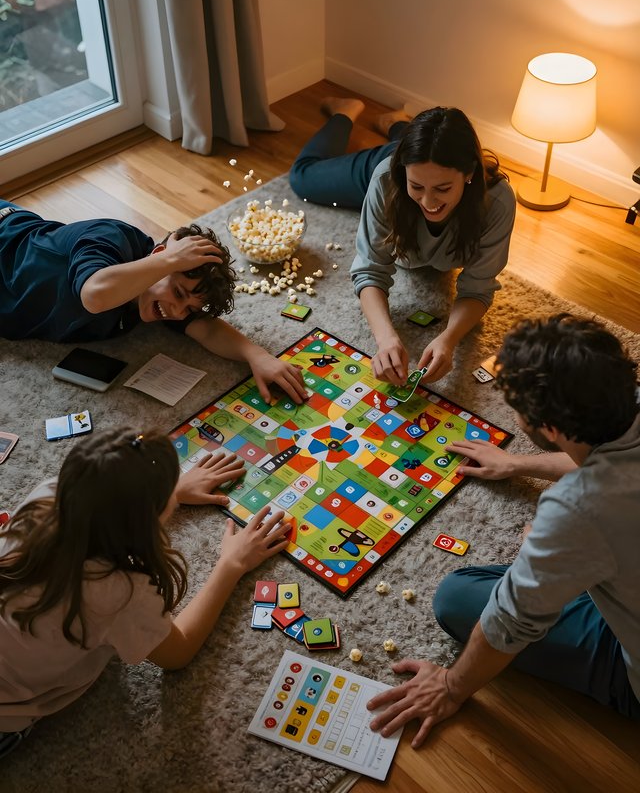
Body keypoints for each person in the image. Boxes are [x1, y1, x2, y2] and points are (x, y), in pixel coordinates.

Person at [366, 314, 640, 747]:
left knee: (458, 597)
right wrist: (517, 464)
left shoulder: (575, 510)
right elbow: (610, 454)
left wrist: (451, 686)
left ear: (549, 429)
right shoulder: (626, 406)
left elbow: (510, 622)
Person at [0, 428, 291, 758]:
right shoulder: (119, 590)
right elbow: (176, 654)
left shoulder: (46, 495)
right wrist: (231, 565)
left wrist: (172, 493)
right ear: (149, 517)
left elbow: (105, 515)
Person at [289, 98, 516, 385]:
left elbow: (479, 288)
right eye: (417, 187)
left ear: (469, 173)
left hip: (409, 166)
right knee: (302, 178)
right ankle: (345, 113)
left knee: (419, 168)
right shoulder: (387, 178)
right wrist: (385, 339)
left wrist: (448, 340)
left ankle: (397, 124)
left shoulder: (497, 202)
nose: (429, 202)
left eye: (443, 189)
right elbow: (370, 269)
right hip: (386, 163)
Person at [0, 203, 306, 404]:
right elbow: (94, 296)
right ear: (158, 254)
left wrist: (258, 356)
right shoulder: (112, 237)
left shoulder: (161, 298)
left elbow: (207, 329)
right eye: (178, 293)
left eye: (187, 308)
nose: (176, 312)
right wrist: (170, 259)